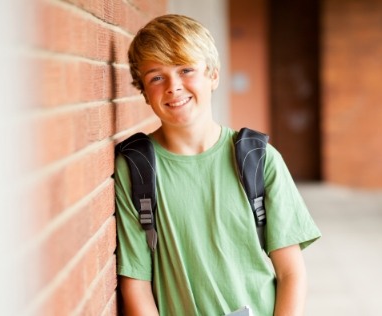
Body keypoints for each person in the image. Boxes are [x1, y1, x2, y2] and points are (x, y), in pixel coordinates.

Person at [114, 14, 321, 316]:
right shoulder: (137, 168)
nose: (173, 86)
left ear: (213, 75)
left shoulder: (258, 158)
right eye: (156, 77)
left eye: (186, 70)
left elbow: (291, 274)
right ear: (144, 92)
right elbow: (135, 282)